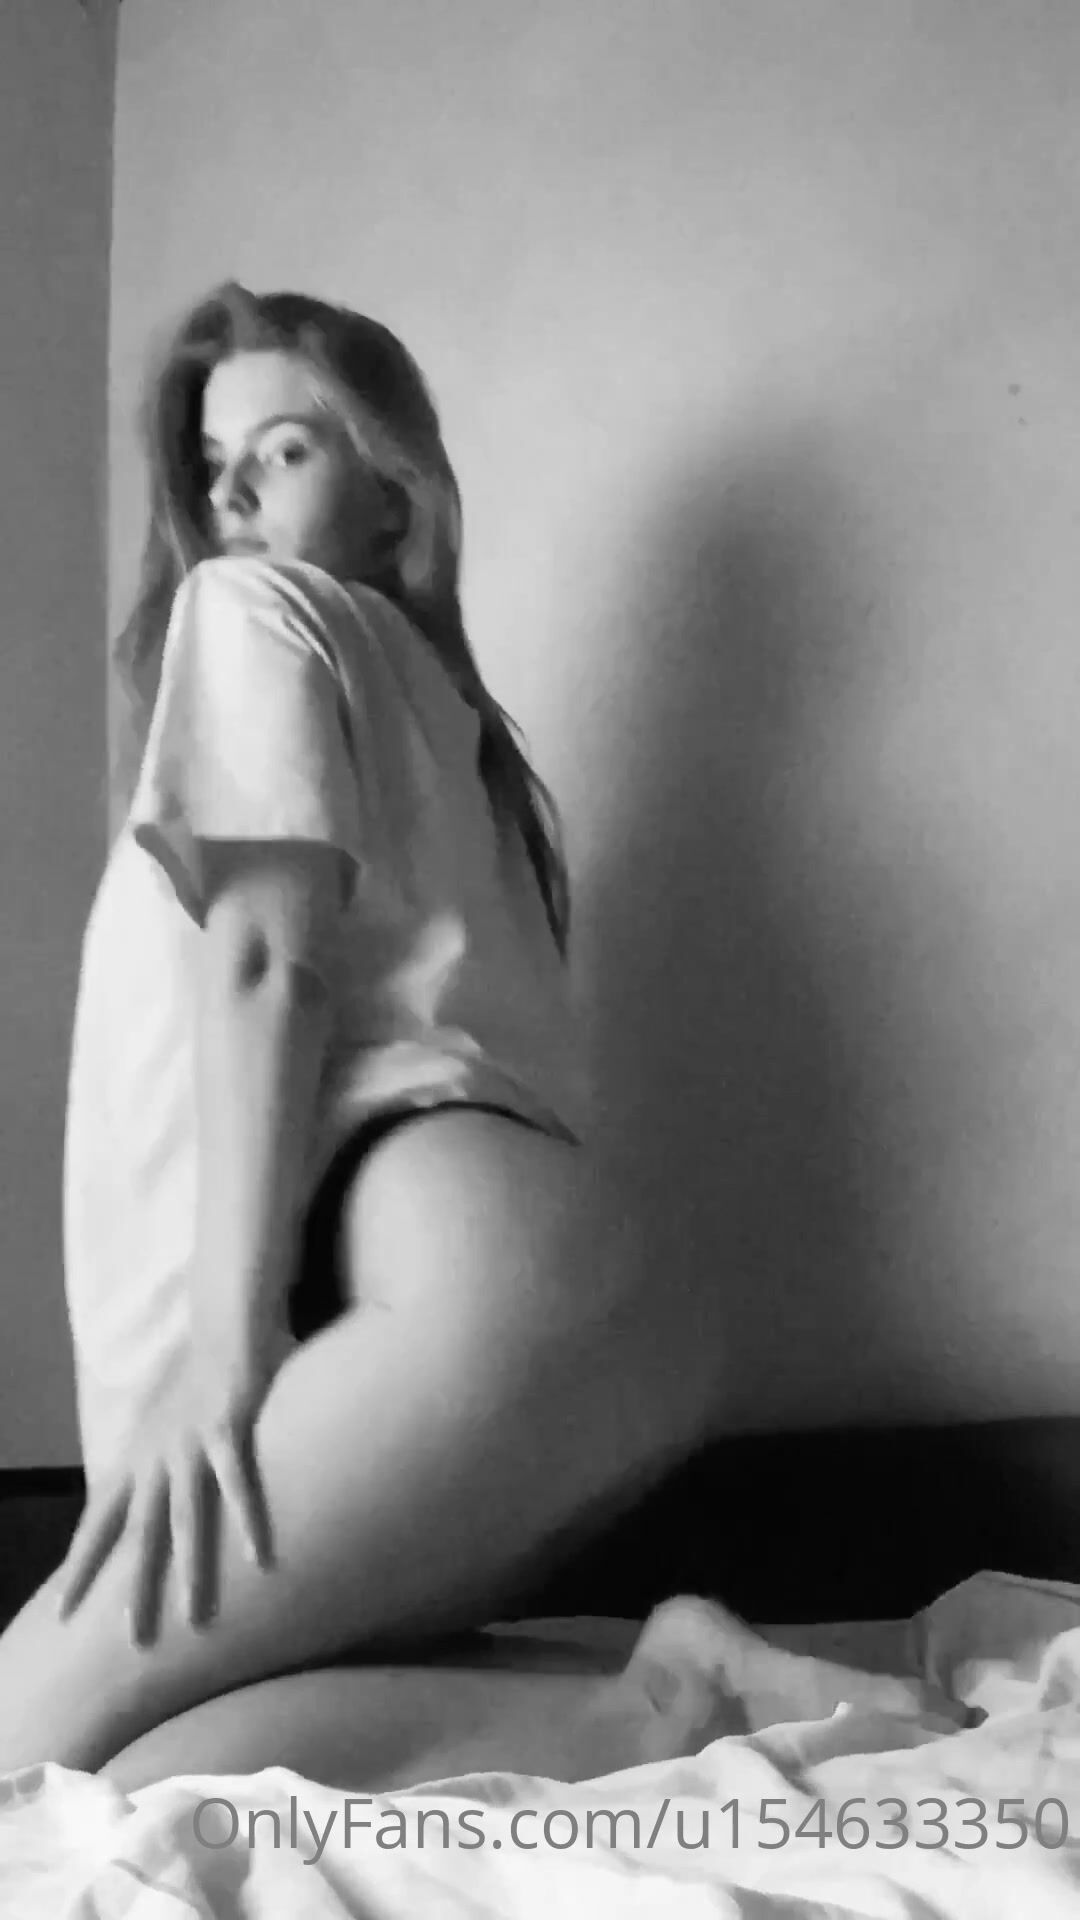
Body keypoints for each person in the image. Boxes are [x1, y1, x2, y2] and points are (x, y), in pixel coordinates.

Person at [0, 283, 717, 1778]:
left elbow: (268, 967)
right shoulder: (457, 729)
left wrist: (223, 1348)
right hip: (590, 1307)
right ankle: (667, 1698)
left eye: (285, 448)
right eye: (214, 466)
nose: (232, 498)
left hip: (458, 1287)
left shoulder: (246, 612)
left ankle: (665, 1701)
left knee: (13, 1738)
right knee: (149, 1772)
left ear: (395, 492)